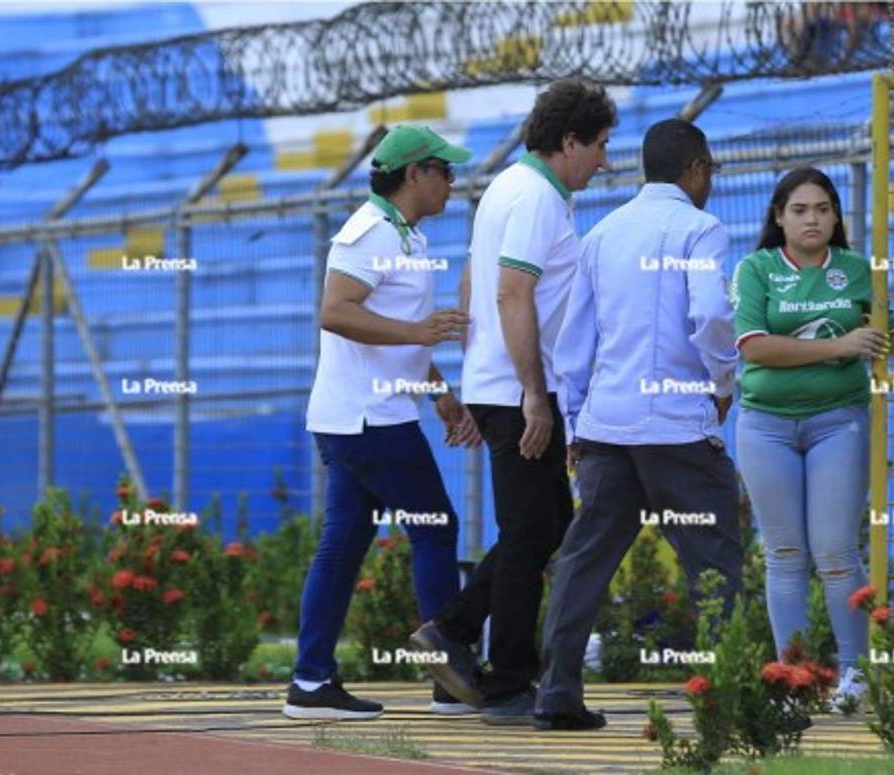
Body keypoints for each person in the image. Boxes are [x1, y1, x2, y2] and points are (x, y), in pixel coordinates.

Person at [730, 166, 894, 711]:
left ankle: (854, 675)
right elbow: (754, 347)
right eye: (799, 210)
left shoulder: (855, 269)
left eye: (822, 208)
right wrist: (839, 347)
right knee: (786, 554)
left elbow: (881, 341)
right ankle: (793, 681)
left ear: (837, 215)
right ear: (778, 217)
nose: (812, 219)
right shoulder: (754, 270)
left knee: (836, 551)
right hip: (764, 425)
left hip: (838, 421)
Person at [408, 77, 617, 726]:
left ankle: (460, 633)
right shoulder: (533, 198)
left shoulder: (514, 187)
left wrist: (486, 376)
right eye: (601, 145)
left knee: (544, 525)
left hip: (505, 382)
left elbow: (477, 280)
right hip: (522, 388)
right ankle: (500, 674)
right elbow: (509, 293)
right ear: (569, 141)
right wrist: (531, 393)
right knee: (531, 530)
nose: (605, 159)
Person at [533, 119, 745, 730]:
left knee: (583, 562)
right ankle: (721, 695)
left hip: (607, 428)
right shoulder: (700, 229)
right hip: (679, 431)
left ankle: (556, 694)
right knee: (714, 563)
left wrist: (576, 426)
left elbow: (574, 344)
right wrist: (721, 384)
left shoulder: (602, 235)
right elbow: (709, 314)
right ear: (697, 169)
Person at [283, 125, 482, 721]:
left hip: (365, 415)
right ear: (414, 173)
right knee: (435, 527)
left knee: (342, 546)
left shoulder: (406, 236)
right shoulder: (369, 232)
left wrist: (440, 393)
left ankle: (311, 682)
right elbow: (335, 312)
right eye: (444, 170)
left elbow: (401, 335)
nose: (452, 181)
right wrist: (418, 337)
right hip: (369, 419)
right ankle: (450, 680)